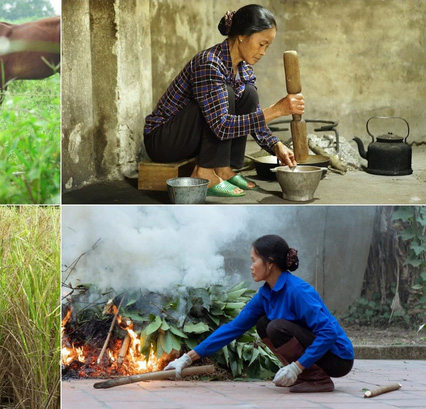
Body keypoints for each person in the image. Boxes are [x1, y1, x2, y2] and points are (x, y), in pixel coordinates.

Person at [143, 5, 305, 197]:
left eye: (267, 46)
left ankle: (223, 168)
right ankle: (204, 172)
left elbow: (253, 119)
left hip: (190, 138)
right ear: (242, 36)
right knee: (225, 94)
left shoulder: (244, 70)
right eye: (261, 44)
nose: (263, 52)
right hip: (163, 140)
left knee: (249, 94)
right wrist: (277, 110)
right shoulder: (209, 63)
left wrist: (275, 145)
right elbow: (221, 126)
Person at [165, 235, 354, 393]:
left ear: (270, 263)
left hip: (338, 358)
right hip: (318, 353)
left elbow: (328, 333)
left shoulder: (298, 291)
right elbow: (233, 328)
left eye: (254, 260)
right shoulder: (265, 294)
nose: (251, 266)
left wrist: (297, 366)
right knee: (264, 324)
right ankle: (308, 375)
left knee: (275, 327)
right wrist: (186, 358)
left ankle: (317, 379)